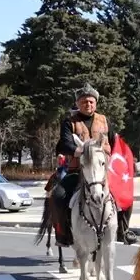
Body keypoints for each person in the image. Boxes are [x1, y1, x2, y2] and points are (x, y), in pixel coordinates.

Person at [51, 85, 110, 245]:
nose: (88, 104)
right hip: (76, 170)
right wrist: (82, 151)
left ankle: (123, 230)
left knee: (124, 196)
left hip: (101, 171)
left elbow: (111, 142)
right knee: (58, 196)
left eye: (91, 101)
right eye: (84, 101)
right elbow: (65, 144)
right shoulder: (69, 122)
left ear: (96, 103)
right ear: (77, 103)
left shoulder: (103, 120)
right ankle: (63, 234)